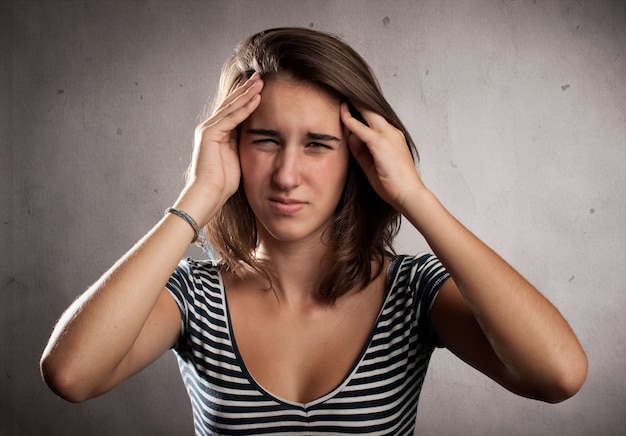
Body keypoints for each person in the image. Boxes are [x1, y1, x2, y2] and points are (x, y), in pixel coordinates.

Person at [40, 27, 588, 435]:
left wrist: (415, 197)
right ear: (231, 145)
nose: (286, 175)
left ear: (358, 156)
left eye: (318, 145)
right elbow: (71, 375)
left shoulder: (414, 292)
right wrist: (199, 195)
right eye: (266, 140)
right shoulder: (193, 296)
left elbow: (558, 376)